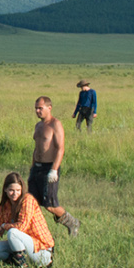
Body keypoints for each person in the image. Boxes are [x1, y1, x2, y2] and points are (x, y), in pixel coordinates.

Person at [0, 171, 54, 267]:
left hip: (42, 251)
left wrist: (4, 226)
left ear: (22, 189)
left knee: (12, 232)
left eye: (18, 190)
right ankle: (18, 262)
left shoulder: (28, 200)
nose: (15, 193)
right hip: (26, 249)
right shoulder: (5, 206)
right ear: (5, 189)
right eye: (11, 190)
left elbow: (21, 226)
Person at [27, 96, 81, 235]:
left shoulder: (55, 124)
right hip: (36, 168)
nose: (38, 111)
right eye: (36, 108)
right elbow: (37, 148)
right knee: (31, 202)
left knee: (50, 205)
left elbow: (60, 148)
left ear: (49, 108)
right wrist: (32, 166)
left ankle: (72, 222)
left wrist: (54, 170)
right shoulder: (38, 126)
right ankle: (31, 231)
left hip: (49, 168)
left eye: (40, 108)